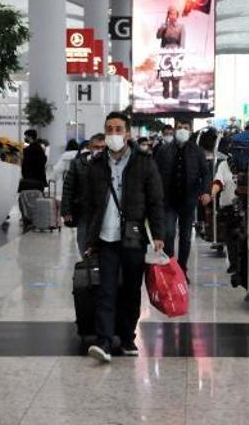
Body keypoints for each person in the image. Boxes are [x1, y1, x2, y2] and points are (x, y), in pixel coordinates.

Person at [84, 112, 165, 362]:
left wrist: (159, 235)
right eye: (109, 129)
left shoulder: (144, 162)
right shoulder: (96, 164)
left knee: (130, 290)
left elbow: (155, 201)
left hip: (134, 237)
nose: (113, 134)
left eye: (118, 129)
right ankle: (104, 341)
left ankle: (127, 336)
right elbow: (90, 204)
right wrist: (90, 239)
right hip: (106, 238)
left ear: (128, 133)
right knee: (106, 290)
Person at [154, 119, 212, 279]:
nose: (182, 130)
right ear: (174, 129)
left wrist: (206, 191)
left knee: (186, 237)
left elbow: (205, 173)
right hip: (168, 200)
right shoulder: (164, 151)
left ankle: (182, 269)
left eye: (185, 127)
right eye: (179, 127)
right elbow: (155, 173)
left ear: (191, 130)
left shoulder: (197, 151)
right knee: (169, 233)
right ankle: (170, 268)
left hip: (188, 200)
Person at [62, 133, 105, 255]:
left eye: (103, 147)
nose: (100, 150)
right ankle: (86, 266)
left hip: (104, 211)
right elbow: (68, 187)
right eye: (97, 147)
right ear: (90, 147)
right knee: (83, 241)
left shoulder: (111, 164)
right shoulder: (78, 163)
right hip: (84, 210)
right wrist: (66, 210)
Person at [156, 6, 185, 100]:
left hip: (176, 52)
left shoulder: (181, 27)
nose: (172, 16)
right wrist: (162, 28)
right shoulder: (164, 25)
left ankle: (175, 96)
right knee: (165, 76)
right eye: (170, 14)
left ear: (177, 16)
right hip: (165, 52)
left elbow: (182, 42)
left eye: (174, 14)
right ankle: (165, 96)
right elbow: (158, 36)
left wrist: (181, 55)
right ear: (168, 15)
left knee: (175, 76)